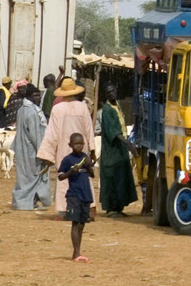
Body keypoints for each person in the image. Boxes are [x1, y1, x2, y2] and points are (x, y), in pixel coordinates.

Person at [38, 77, 94, 216]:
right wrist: (92, 149)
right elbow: (89, 130)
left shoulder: (57, 109)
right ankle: (88, 208)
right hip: (82, 148)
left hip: (64, 148)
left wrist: (47, 155)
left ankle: (65, 209)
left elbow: (52, 133)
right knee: (84, 175)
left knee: (64, 177)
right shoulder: (83, 107)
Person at [97, 86, 137, 218]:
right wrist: (128, 144)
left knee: (121, 176)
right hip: (112, 149)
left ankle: (119, 207)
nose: (112, 94)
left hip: (120, 148)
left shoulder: (117, 106)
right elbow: (113, 131)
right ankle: (111, 208)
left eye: (113, 91)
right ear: (105, 95)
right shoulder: (107, 110)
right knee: (112, 176)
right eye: (109, 92)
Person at [11, 82, 50, 210]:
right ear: (29, 97)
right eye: (35, 95)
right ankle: (26, 201)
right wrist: (43, 151)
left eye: (39, 95)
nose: (38, 98)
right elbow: (35, 135)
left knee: (26, 176)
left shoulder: (22, 109)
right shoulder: (32, 112)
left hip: (23, 148)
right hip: (31, 149)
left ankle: (30, 200)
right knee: (33, 176)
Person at [58, 133, 95, 262]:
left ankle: (78, 251)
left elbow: (92, 175)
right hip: (74, 195)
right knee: (75, 223)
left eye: (81, 144)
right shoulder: (68, 160)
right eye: (76, 144)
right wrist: (71, 172)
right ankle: (76, 252)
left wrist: (89, 165)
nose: (79, 146)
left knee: (82, 224)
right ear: (70, 145)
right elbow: (60, 176)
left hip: (85, 195)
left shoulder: (85, 158)